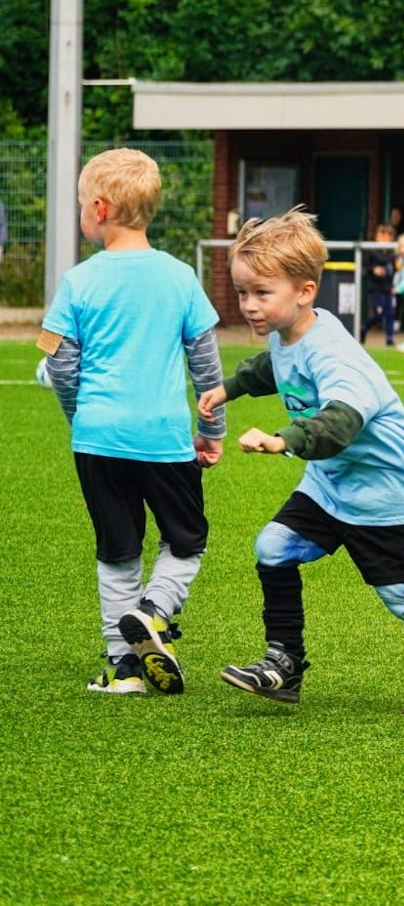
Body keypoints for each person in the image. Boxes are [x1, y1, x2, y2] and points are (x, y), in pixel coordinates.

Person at [199, 210, 404, 715]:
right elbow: (274, 368)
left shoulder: (335, 355)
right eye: (243, 293)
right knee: (274, 547)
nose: (249, 305)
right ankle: (283, 663)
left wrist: (282, 440)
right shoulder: (293, 333)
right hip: (331, 486)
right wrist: (229, 389)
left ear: (304, 291)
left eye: (262, 293)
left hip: (388, 495)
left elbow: (338, 425)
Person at [42, 148, 225, 695]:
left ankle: (124, 670)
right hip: (164, 439)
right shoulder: (179, 277)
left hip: (98, 440)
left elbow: (60, 364)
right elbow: (206, 363)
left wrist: (81, 419)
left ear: (98, 209)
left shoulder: (77, 282)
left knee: (117, 549)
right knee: (187, 540)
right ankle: (154, 610)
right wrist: (211, 434)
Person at [361, 223, 398, 348]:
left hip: (388, 288)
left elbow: (396, 269)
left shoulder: (393, 253)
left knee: (390, 313)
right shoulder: (372, 251)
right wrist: (373, 270)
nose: (382, 239)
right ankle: (364, 328)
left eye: (386, 236)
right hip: (376, 288)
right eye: (380, 236)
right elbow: (365, 268)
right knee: (379, 314)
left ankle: (390, 339)